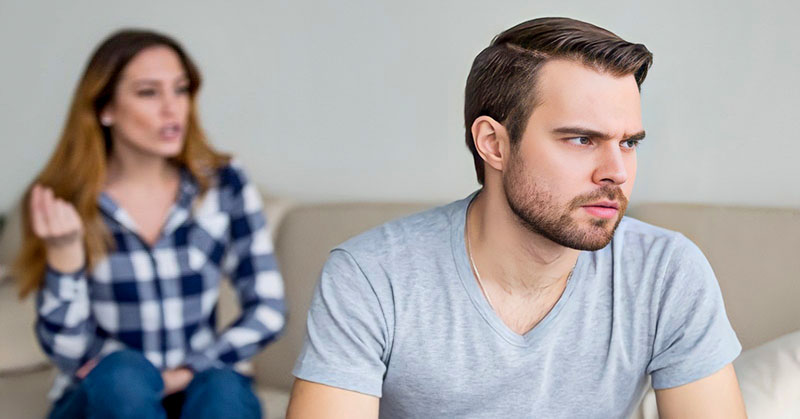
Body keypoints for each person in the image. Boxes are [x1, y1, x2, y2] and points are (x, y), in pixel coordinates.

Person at [287, 17, 746, 418]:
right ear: (494, 144)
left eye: (629, 142)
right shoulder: (372, 276)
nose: (617, 172)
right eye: (582, 139)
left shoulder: (665, 272)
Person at [14, 29, 285, 419]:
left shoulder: (225, 184)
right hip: (107, 398)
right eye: (148, 92)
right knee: (123, 375)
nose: (172, 109)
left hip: (197, 383)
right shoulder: (62, 198)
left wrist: (189, 368)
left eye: (181, 89)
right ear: (105, 108)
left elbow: (269, 308)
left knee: (223, 386)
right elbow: (67, 351)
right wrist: (64, 255)